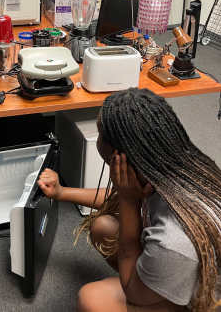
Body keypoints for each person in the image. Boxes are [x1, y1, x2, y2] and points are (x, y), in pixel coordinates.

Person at [37, 88, 221, 312]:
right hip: (181, 268)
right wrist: (61, 193)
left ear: (116, 154)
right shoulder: (171, 164)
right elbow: (117, 196)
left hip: (201, 300)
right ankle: (154, 287)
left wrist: (129, 203)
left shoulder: (173, 240)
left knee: (93, 300)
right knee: (102, 227)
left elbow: (132, 291)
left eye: (98, 132)